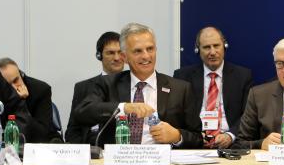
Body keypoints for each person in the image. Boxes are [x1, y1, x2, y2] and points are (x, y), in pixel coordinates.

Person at [74, 23, 202, 147]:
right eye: (137, 51)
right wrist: (124, 107)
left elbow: (198, 138)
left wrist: (177, 136)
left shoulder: (180, 89)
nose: (146, 56)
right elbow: (82, 112)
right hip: (118, 159)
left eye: (150, 49)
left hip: (162, 159)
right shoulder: (107, 84)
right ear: (124, 57)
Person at [173, 26, 254, 148]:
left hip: (231, 144)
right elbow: (177, 115)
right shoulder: (182, 76)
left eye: (216, 46)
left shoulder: (242, 76)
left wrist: (230, 135)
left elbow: (248, 115)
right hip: (195, 143)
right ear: (197, 50)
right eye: (206, 47)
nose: (212, 52)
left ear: (224, 46)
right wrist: (195, 137)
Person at [64, 31, 125, 143]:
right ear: (99, 56)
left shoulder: (134, 85)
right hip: (90, 148)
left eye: (120, 52)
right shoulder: (82, 87)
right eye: (110, 53)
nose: (117, 58)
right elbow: (73, 130)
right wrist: (84, 151)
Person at [0, 57, 60, 142]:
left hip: (36, 142)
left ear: (21, 75)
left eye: (16, 80)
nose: (14, 87)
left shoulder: (40, 90)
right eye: (8, 85)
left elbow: (41, 133)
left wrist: (21, 103)